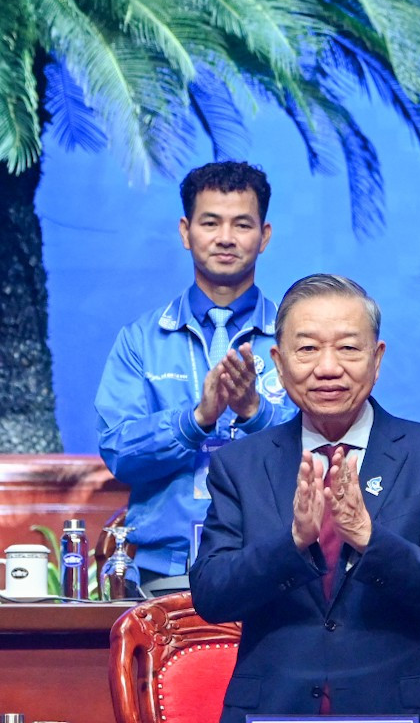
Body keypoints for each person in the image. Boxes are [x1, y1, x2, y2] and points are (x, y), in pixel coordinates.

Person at [191, 274, 420, 723]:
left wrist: (370, 539)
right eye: (307, 349)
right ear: (278, 364)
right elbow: (211, 594)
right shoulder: (241, 465)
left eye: (348, 348)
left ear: (377, 357)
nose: (328, 367)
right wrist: (293, 542)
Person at [98, 161, 296, 583]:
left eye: (242, 224)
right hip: (165, 571)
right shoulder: (141, 339)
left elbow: (323, 449)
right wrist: (195, 421)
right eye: (211, 223)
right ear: (186, 232)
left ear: (264, 236)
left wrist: (255, 414)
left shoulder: (297, 340)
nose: (225, 238)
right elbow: (118, 453)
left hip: (278, 569)